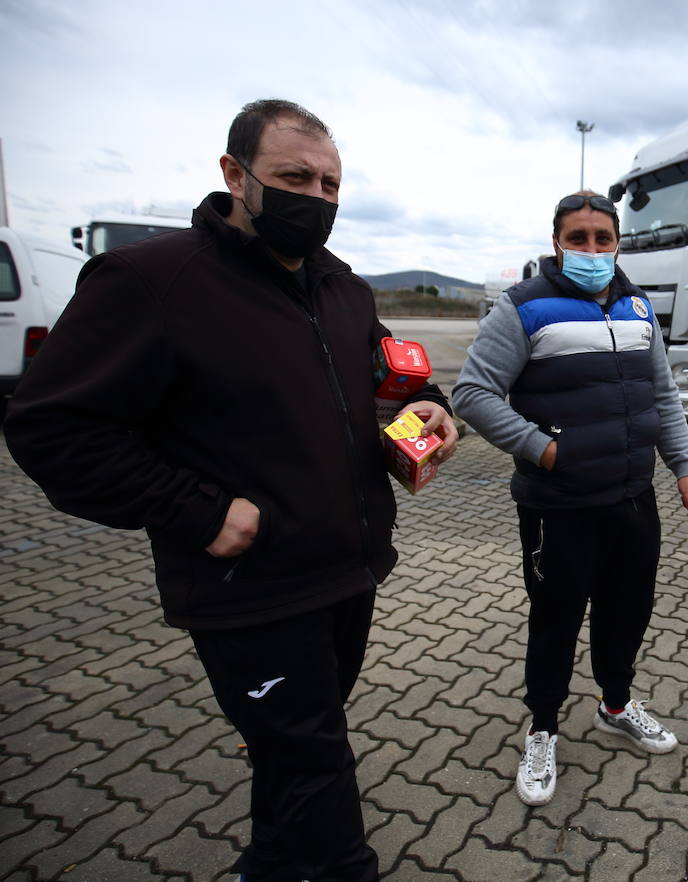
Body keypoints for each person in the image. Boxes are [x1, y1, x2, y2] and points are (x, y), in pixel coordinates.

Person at [4, 99, 456, 881]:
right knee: (318, 775)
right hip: (249, 595)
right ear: (233, 174)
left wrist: (428, 408)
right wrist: (199, 510)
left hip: (348, 575)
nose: (314, 197)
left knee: (291, 763)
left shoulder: (343, 288)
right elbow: (51, 428)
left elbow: (388, 379)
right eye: (293, 177)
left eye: (330, 184)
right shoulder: (152, 282)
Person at [451, 191, 688, 806]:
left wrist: (683, 466)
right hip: (558, 504)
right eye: (579, 237)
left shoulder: (637, 305)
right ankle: (542, 727)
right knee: (557, 618)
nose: (592, 249)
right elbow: (473, 393)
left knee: (627, 609)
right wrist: (543, 450)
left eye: (603, 237)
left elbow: (662, 393)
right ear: (557, 241)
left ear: (618, 241)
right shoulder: (524, 308)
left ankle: (615, 704)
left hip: (632, 495)